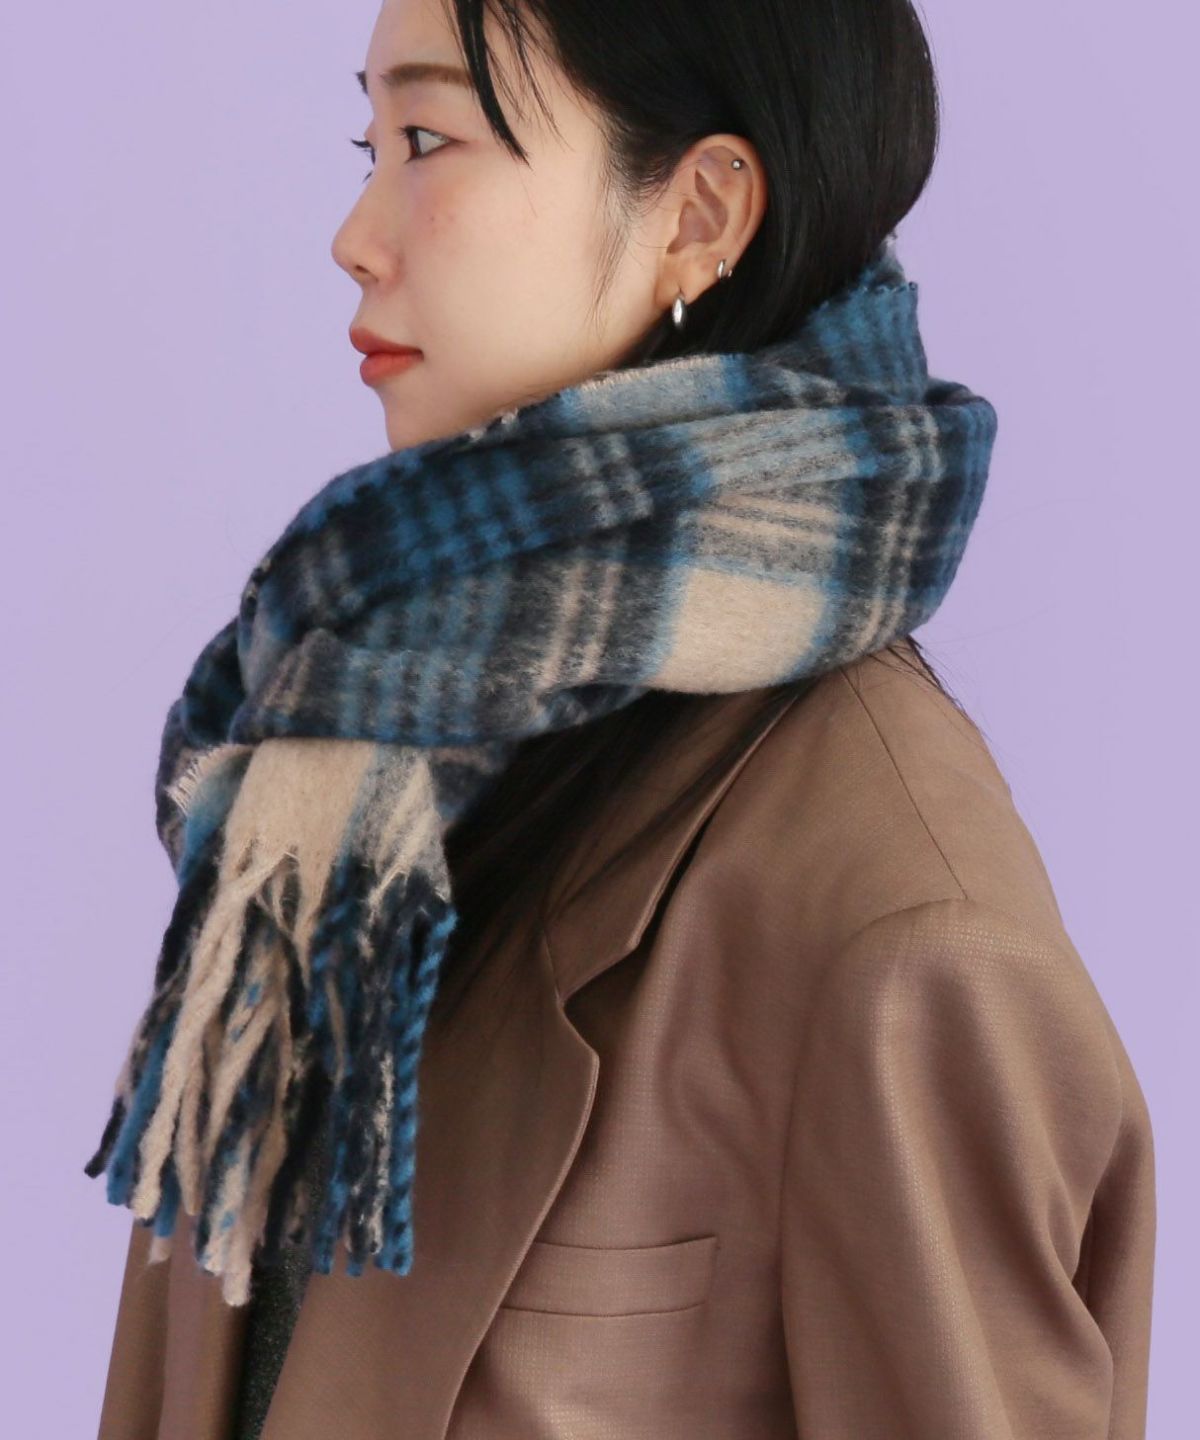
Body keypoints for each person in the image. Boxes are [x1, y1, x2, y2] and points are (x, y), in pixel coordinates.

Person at [89, 1, 1156, 1437]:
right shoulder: (357, 764)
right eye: (367, 145)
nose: (355, 233)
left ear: (698, 215)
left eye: (429, 140)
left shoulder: (898, 928)